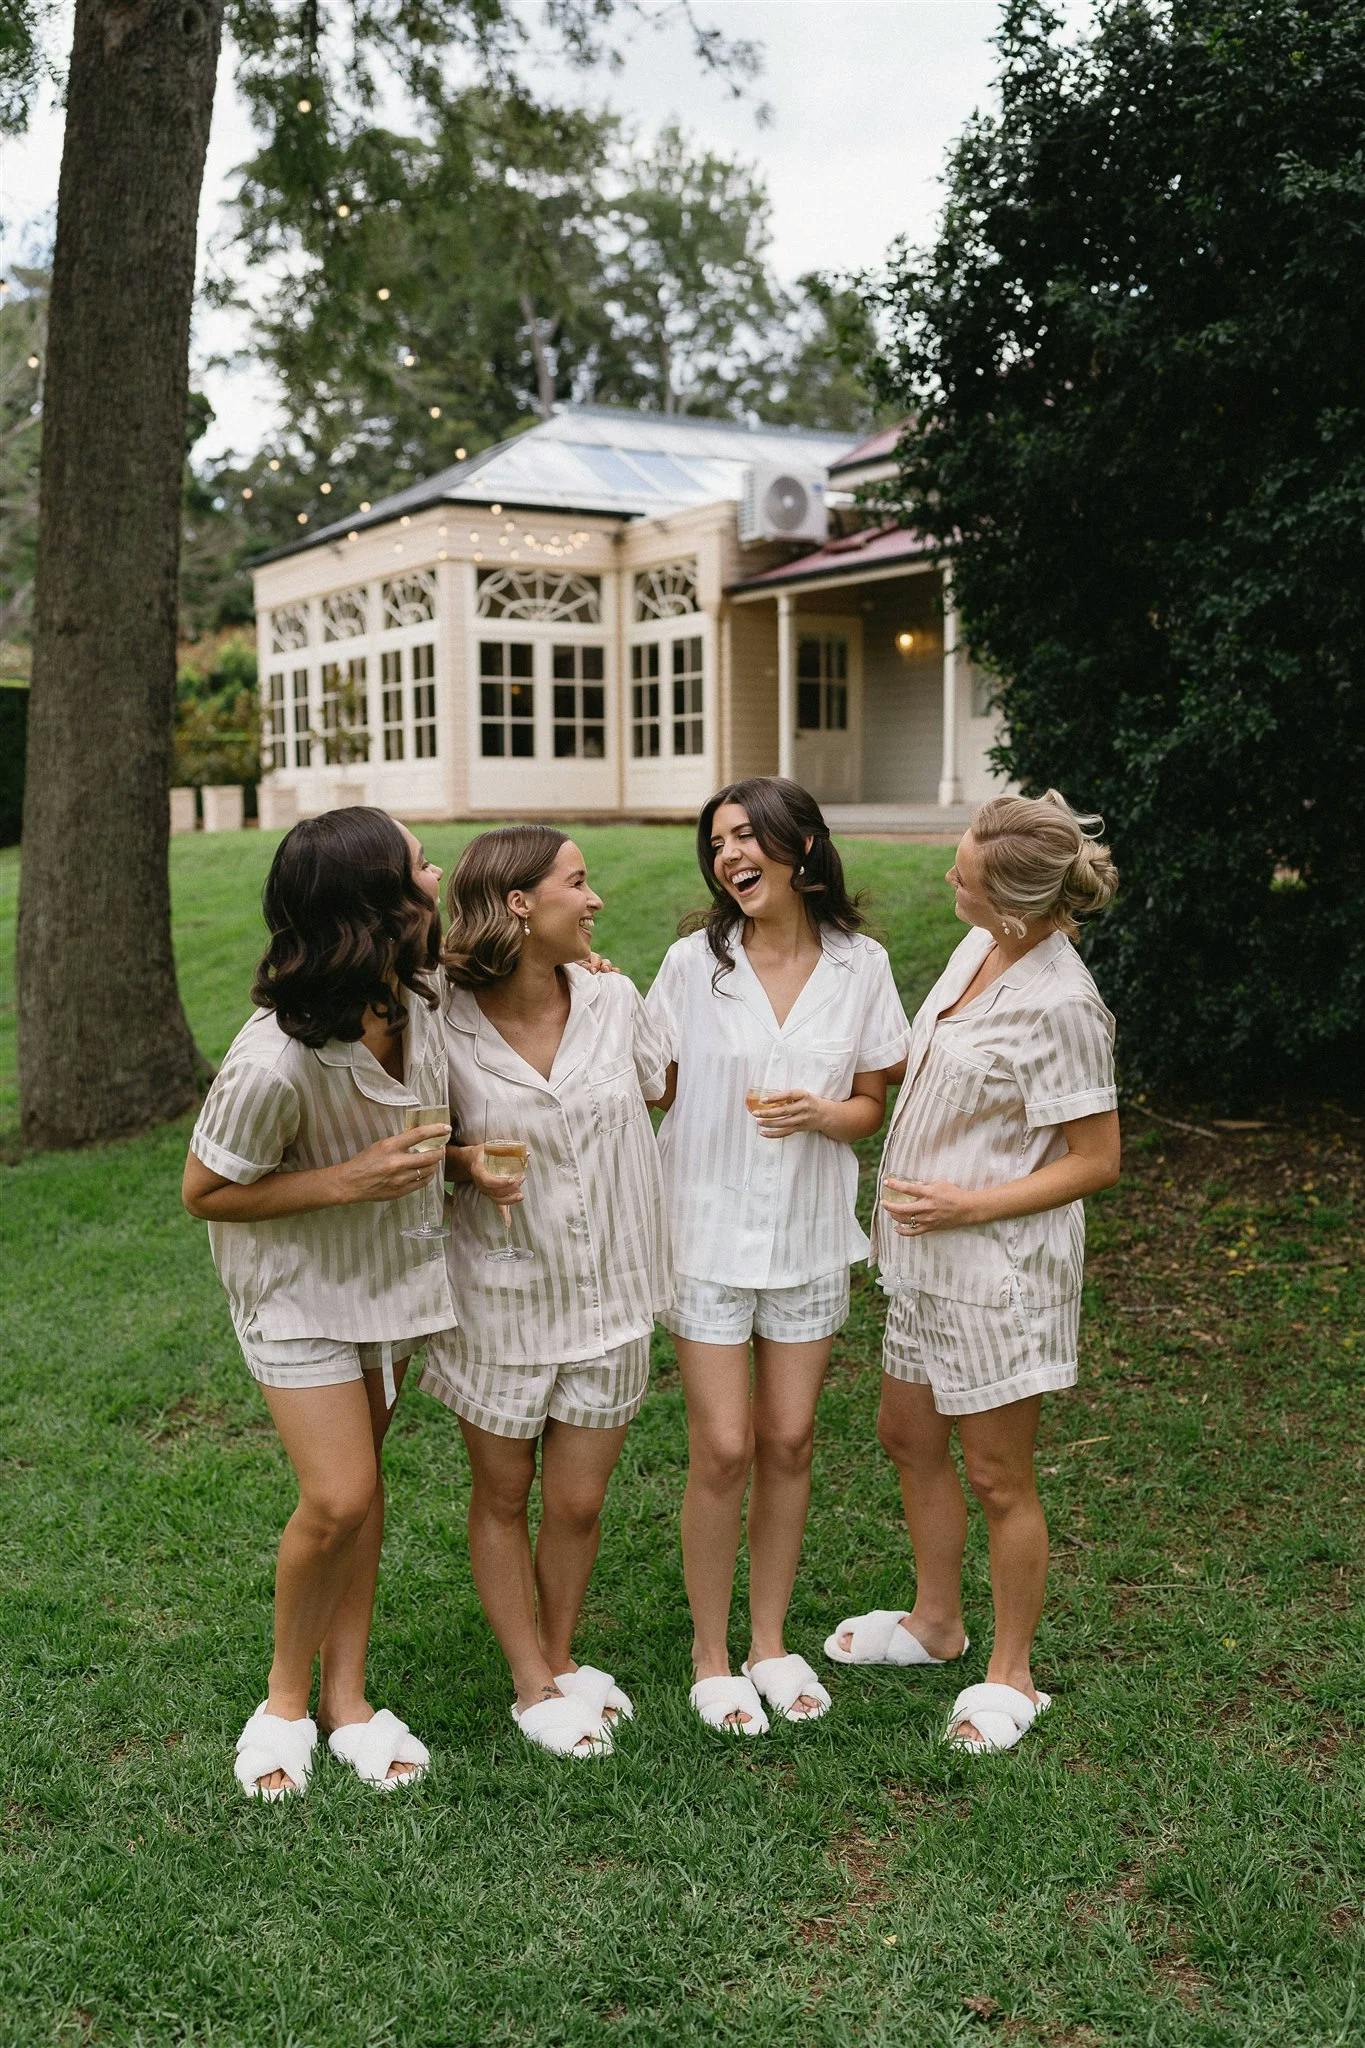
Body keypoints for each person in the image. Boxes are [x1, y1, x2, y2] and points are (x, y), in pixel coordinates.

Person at [828, 789, 1120, 1755]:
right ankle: (936, 1624)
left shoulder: (1061, 1002)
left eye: (963, 872)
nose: (948, 876)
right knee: (906, 1434)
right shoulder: (975, 949)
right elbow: (925, 1065)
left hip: (997, 1271)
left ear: (1015, 904)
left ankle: (1012, 1674)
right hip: (921, 1261)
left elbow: (1095, 1159)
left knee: (999, 1476)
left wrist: (968, 1204)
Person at [182, 808, 456, 1799]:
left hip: (391, 1279)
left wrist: (583, 972)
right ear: (381, 904)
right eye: (421, 861)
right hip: (296, 1291)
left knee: (363, 1486)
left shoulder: (416, 997)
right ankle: (284, 1700)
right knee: (337, 1493)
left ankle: (348, 1694)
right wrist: (347, 1180)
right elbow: (205, 1191)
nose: (440, 869)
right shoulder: (273, 1062)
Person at [646, 778, 910, 1735]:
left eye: (746, 837)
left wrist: (821, 1114)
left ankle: (768, 1642)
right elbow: (651, 1082)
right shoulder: (691, 964)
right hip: (705, 1233)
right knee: (723, 1447)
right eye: (716, 843)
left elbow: (871, 1103)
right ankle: (710, 1656)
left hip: (806, 1238)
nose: (728, 856)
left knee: (790, 1441)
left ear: (801, 848)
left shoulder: (860, 963)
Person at [421, 826, 670, 1759]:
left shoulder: (611, 995)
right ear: (520, 903)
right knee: (502, 1491)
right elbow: (410, 1145)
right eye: (578, 882)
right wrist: (460, 1160)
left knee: (575, 1503)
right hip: (500, 1297)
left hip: (610, 1293)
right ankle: (530, 1684)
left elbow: (658, 1089)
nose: (594, 897)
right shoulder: (435, 1017)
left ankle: (560, 1658)